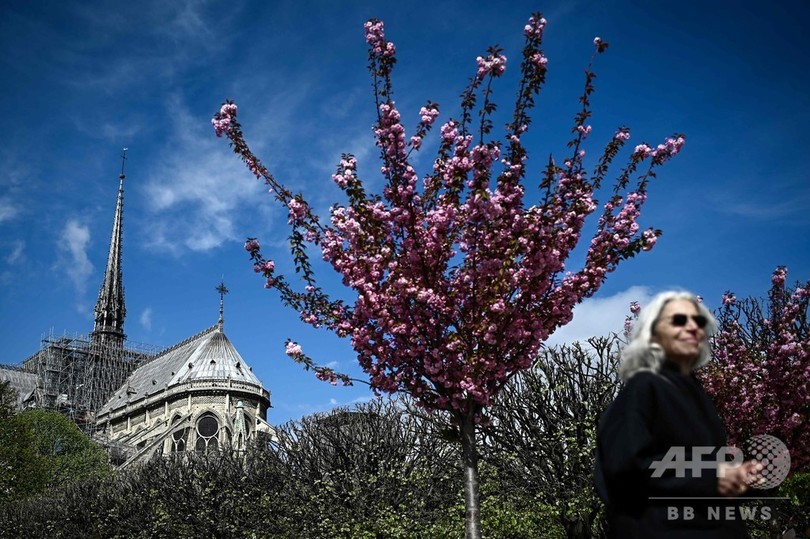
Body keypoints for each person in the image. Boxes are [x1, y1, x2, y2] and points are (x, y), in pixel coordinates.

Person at [595, 291, 760, 538]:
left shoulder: (694, 393)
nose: (693, 327)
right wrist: (711, 478)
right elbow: (626, 467)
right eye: (679, 320)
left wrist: (739, 477)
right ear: (653, 332)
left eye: (699, 321)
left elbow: (698, 463)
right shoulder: (644, 387)